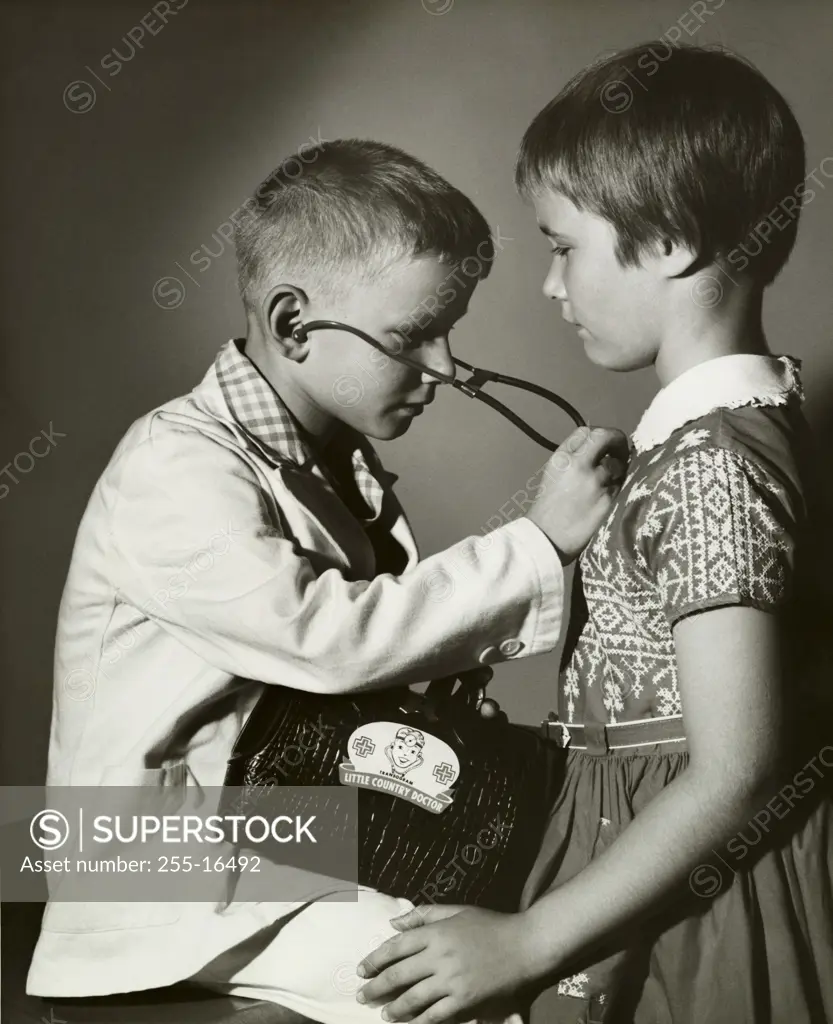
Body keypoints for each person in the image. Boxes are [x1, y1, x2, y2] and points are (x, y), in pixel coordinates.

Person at [26, 139, 628, 1023]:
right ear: (293, 323)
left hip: (270, 834)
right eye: (412, 334)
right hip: (150, 863)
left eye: (449, 330)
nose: (446, 367)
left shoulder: (332, 464)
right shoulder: (173, 466)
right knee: (472, 981)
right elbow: (327, 638)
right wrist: (536, 542)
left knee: (533, 903)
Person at [355, 43, 833, 1024]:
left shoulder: (711, 465)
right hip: (626, 855)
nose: (547, 284)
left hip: (682, 909)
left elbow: (735, 768)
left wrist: (528, 937)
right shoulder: (727, 433)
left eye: (562, 245)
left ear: (663, 244)